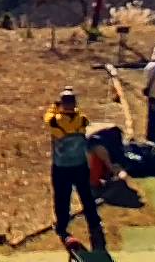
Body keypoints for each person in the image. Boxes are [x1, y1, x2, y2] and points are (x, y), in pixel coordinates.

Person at [45, 87, 106, 250]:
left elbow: (48, 117)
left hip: (61, 166)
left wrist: (54, 106)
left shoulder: (55, 121)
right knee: (86, 195)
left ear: (62, 104)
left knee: (62, 199)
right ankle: (94, 222)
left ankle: (62, 226)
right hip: (80, 165)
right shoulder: (82, 120)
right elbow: (78, 116)